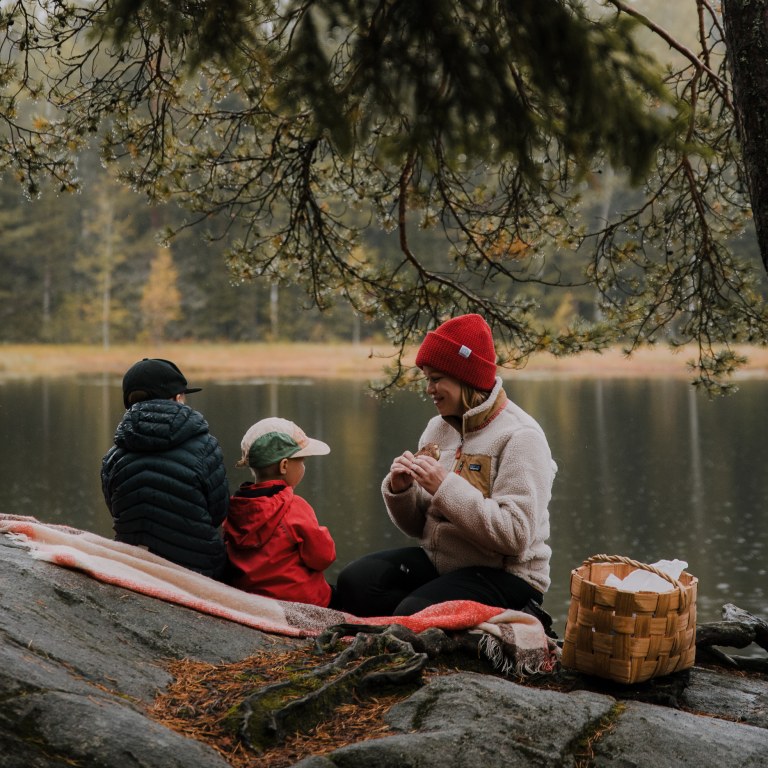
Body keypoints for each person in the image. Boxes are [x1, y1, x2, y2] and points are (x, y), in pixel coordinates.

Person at [335, 313, 557, 618]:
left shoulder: (521, 437)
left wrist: (444, 485)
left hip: (509, 578)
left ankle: (417, 619)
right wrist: (403, 492)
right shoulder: (437, 429)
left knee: (416, 613)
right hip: (443, 564)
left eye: (437, 379)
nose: (429, 388)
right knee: (354, 584)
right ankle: (410, 619)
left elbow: (514, 537)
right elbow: (420, 528)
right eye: (427, 379)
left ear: (466, 377)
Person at [101, 358, 229, 579]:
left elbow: (115, 508)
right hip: (199, 570)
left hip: (132, 565)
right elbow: (218, 511)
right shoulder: (206, 446)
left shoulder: (114, 456)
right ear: (177, 397)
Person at [223, 417, 336, 608]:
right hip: (300, 601)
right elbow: (323, 557)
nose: (303, 467)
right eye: (302, 461)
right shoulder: (294, 506)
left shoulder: (235, 507)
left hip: (252, 599)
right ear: (284, 466)